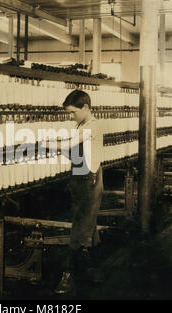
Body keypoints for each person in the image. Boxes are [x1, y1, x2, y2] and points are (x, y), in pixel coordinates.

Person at [52, 90, 104, 295]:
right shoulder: (80, 126)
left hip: (89, 181)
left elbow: (69, 145)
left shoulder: (93, 126)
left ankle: (68, 275)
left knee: (80, 227)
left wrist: (40, 144)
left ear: (85, 108)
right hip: (79, 180)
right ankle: (97, 270)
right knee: (89, 227)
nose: (70, 116)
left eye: (73, 112)